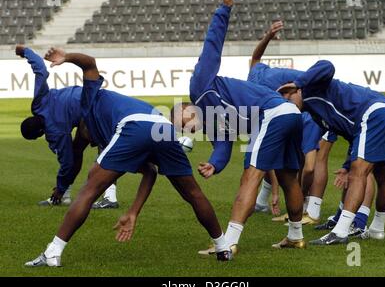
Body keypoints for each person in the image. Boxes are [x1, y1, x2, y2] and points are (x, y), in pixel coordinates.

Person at [25, 47, 232, 267]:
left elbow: (89, 63)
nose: (90, 142)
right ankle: (222, 247)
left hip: (134, 125)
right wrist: (133, 212)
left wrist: (67, 58)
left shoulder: (89, 98)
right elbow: (150, 172)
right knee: (192, 192)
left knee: (90, 187)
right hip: (162, 127)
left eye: (87, 136)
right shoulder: (108, 124)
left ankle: (52, 253)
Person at [172, 0, 306, 253]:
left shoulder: (200, 86)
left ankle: (228, 243)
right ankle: (295, 236)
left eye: (184, 120)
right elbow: (223, 145)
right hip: (288, 114)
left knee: (251, 176)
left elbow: (212, 46)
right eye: (183, 127)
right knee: (289, 177)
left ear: (189, 106)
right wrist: (214, 164)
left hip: (274, 113)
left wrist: (224, 9)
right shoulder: (211, 121)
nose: (187, 127)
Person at [248, 23, 378, 237]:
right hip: (314, 104)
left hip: (321, 106)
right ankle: (314, 210)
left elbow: (304, 167)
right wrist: (267, 37)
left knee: (344, 162)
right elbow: (255, 58)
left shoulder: (264, 94)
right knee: (357, 161)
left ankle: (318, 211)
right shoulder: (257, 77)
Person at [277, 60, 385, 245]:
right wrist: (345, 165)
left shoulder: (311, 88)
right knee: (383, 176)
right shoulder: (315, 114)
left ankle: (340, 232)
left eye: (288, 96)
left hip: (372, 114)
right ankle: (377, 230)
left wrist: (298, 82)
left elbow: (327, 65)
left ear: (297, 90)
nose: (287, 101)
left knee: (359, 174)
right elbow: (352, 137)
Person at [16, 45, 119, 209]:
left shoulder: (55, 132)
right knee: (78, 149)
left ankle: (109, 197)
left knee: (102, 149)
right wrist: (25, 52)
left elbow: (67, 163)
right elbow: (41, 71)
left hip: (94, 108)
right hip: (91, 97)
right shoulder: (38, 103)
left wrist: (60, 186)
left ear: (39, 133)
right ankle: (64, 195)